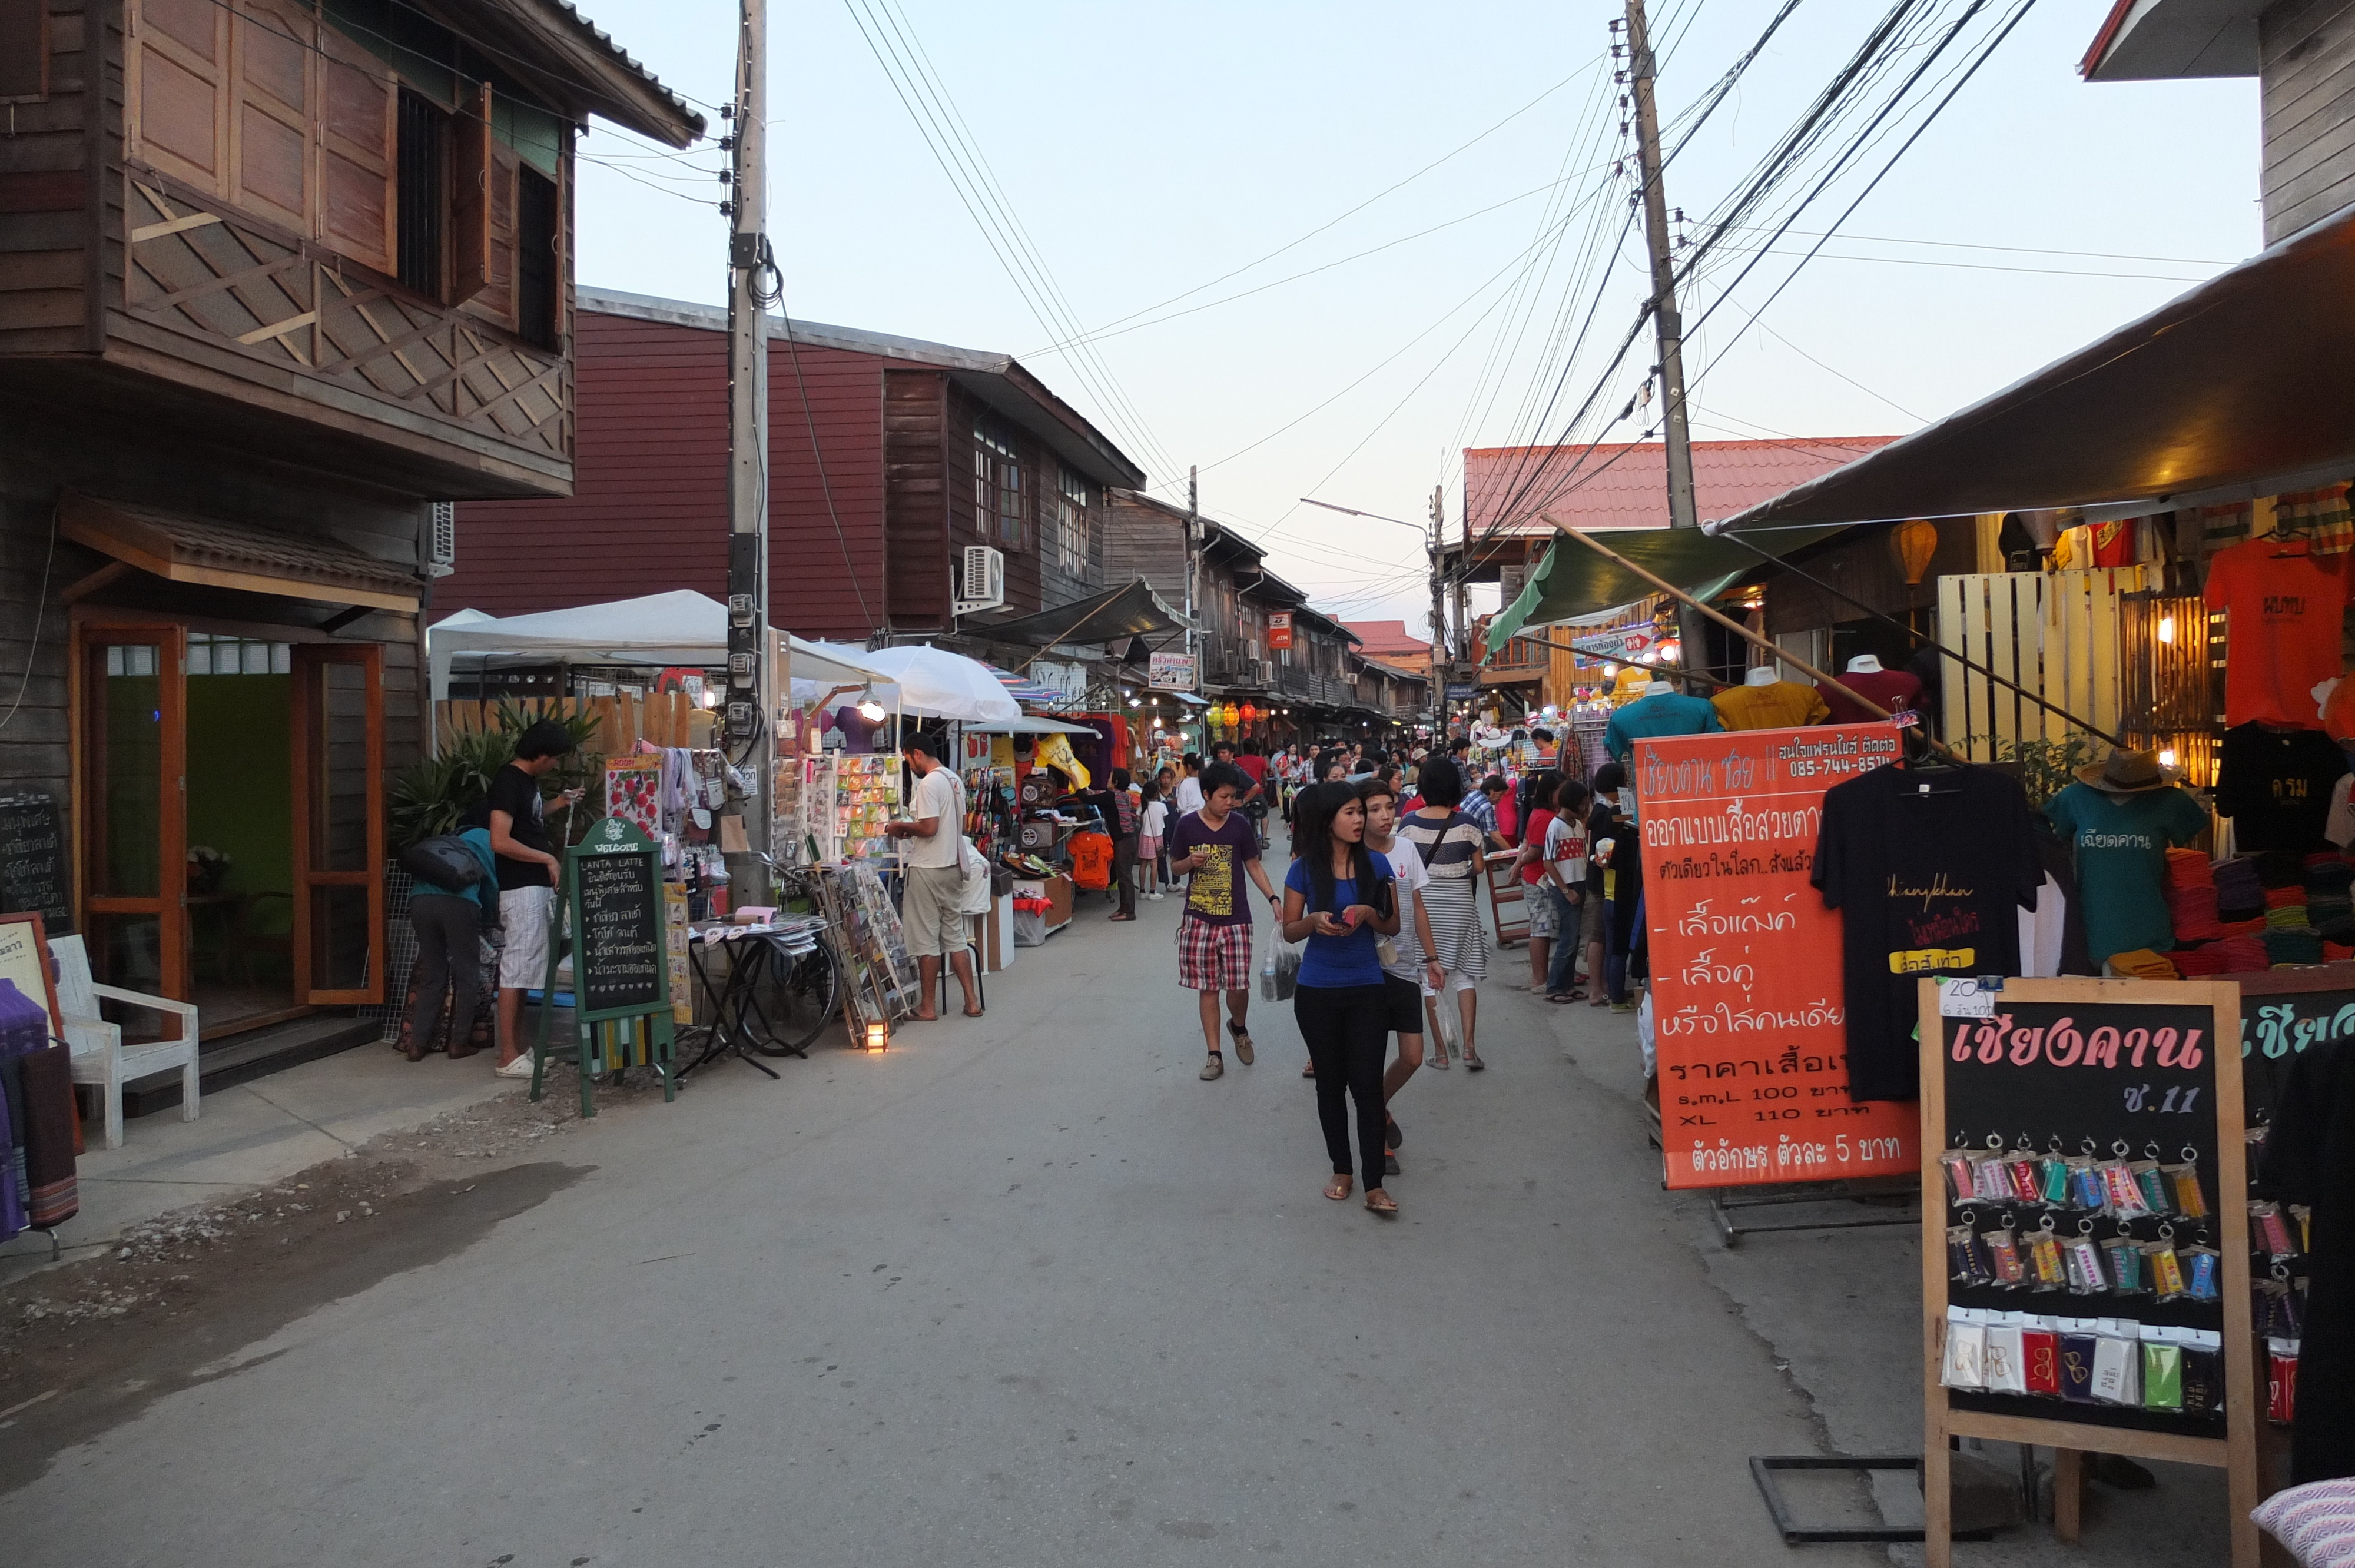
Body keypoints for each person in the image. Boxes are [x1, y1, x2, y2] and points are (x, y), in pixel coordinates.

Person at [1281, 782, 1402, 1215]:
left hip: (1367, 987)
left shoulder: (1377, 863)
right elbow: (1288, 930)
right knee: (1330, 1086)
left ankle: (1374, 1184)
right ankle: (1342, 1169)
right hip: (1316, 991)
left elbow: (1392, 926)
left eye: (1360, 813)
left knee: (1368, 1087)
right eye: (1350, 812)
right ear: (1329, 819)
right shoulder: (1304, 870)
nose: (1360, 820)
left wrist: (1370, 913)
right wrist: (1313, 920)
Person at [470, 719, 582, 1079]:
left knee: (525, 967)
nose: (555, 766)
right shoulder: (508, 781)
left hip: (532, 887)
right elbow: (499, 840)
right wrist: (547, 858)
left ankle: (518, 1050)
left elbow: (529, 818)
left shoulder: (527, 783)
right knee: (517, 970)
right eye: (554, 759)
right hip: (519, 887)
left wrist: (560, 802)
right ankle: (507, 1056)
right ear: (542, 754)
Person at [1168, 760, 1281, 1080]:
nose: (1230, 803)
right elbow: (1175, 867)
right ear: (1206, 794)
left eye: (1233, 797)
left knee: (1238, 986)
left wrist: (1273, 898)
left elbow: (1253, 865)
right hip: (1199, 919)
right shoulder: (1188, 826)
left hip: (1237, 919)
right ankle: (1214, 1055)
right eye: (1224, 797)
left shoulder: (1240, 826)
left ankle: (1239, 1027)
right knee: (1207, 988)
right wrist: (1190, 861)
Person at [1359, 775, 1443, 1174]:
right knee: (1372, 1055)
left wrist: (1432, 958)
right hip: (1368, 972)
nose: (1384, 816)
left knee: (1412, 1057)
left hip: (1408, 967)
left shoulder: (1407, 849)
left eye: (1389, 807)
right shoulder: (1352, 857)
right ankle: (1377, 1141)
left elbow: (1419, 908)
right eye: (1374, 809)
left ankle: (1377, 1106)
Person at [1397, 758, 1490, 1070]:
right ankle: (1468, 1048)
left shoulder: (1408, 823)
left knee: (1428, 977)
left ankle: (1440, 1052)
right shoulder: (1466, 823)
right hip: (1459, 903)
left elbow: (1404, 869)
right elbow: (1478, 867)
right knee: (1465, 976)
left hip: (1423, 904)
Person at [885, 734, 982, 1020]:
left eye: (908, 759)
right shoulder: (954, 780)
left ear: (917, 753)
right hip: (952, 866)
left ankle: (927, 1007)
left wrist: (899, 827)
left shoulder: (929, 783)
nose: (909, 766)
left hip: (928, 868)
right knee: (955, 936)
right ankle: (971, 1001)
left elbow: (929, 828)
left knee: (927, 939)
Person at [403, 824, 498, 1063]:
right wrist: (488, 921)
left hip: (420, 902)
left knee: (433, 975)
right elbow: (490, 888)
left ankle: (417, 1044)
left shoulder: (449, 841)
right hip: (458, 905)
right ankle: (459, 1043)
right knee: (467, 974)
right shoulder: (491, 840)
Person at [1587, 762, 1641, 1011]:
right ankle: (1618, 998)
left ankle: (1613, 992)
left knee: (1612, 945)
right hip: (1621, 891)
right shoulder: (1618, 816)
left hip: (1609, 890)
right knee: (1619, 947)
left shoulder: (1601, 816)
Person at [1511, 772, 1563, 991]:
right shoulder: (1545, 817)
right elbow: (1534, 851)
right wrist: (1520, 863)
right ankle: (1539, 980)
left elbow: (1525, 843)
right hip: (1539, 879)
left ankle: (1545, 976)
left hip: (1536, 877)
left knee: (1543, 928)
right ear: (1552, 793)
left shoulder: (1539, 813)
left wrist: (1517, 865)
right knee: (1541, 930)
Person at [1541, 779, 1591, 1002]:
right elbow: (1548, 862)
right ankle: (1554, 987)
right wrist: (1565, 890)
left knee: (1573, 937)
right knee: (1568, 939)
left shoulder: (1578, 826)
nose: (1584, 808)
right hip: (1565, 887)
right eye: (1582, 804)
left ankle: (1567, 983)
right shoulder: (1556, 827)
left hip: (1578, 883)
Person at [1095, 766, 1142, 921]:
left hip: (1124, 842)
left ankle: (1129, 912)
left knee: (1125, 876)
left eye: (1110, 777)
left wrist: (1076, 783)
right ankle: (1124, 908)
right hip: (1129, 840)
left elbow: (1090, 799)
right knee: (1123, 875)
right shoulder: (1124, 796)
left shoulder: (1112, 796)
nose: (1107, 780)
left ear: (1115, 782)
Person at [1137, 778, 1169, 901]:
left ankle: (1142, 891)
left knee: (1143, 864)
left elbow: (1140, 820)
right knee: (1154, 864)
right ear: (1156, 793)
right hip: (1157, 837)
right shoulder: (1162, 806)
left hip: (1145, 836)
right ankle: (1152, 891)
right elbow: (1165, 819)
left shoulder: (1142, 806)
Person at [1173, 752, 1205, 818]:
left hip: (1188, 818)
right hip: (1203, 817)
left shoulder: (1185, 783)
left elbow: (1182, 807)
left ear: (1189, 767)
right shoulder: (1205, 781)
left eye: (1184, 767)